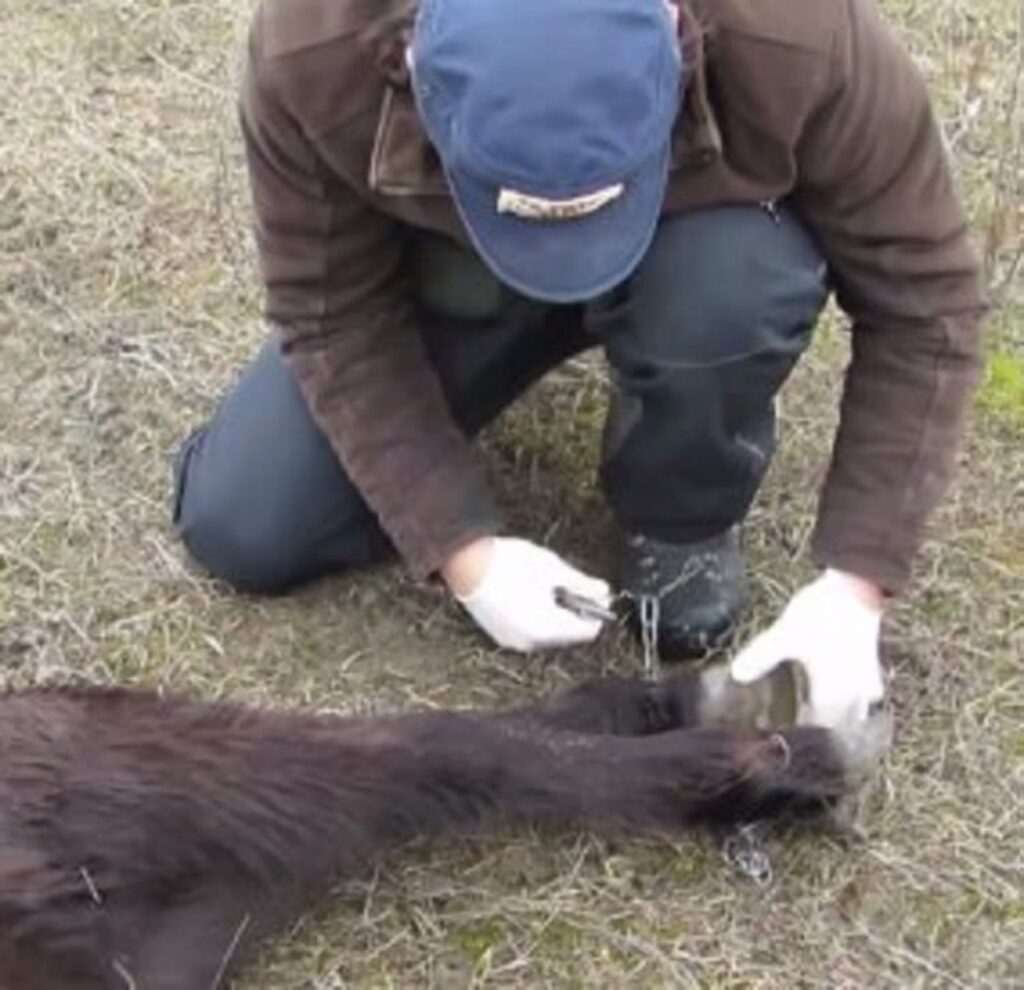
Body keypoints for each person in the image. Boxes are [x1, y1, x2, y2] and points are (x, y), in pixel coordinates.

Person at [172, 0, 985, 729]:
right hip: (459, 261)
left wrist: (856, 587)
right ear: (414, 61)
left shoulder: (796, 34)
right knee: (248, 526)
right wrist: (461, 550)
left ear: (676, 32)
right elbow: (334, 312)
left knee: (736, 285)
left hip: (696, 246)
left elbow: (927, 303)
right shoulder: (311, 52)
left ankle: (681, 511)